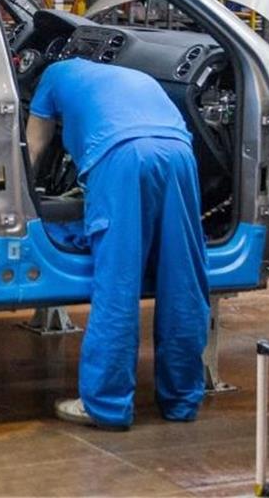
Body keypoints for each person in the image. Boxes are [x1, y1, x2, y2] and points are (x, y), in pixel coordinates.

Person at [24, 58, 210, 431]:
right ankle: (182, 399)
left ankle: (106, 404)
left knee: (118, 282)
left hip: (122, 156)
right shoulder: (129, 72)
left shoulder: (51, 77)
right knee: (183, 280)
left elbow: (34, 143)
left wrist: (22, 194)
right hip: (179, 153)